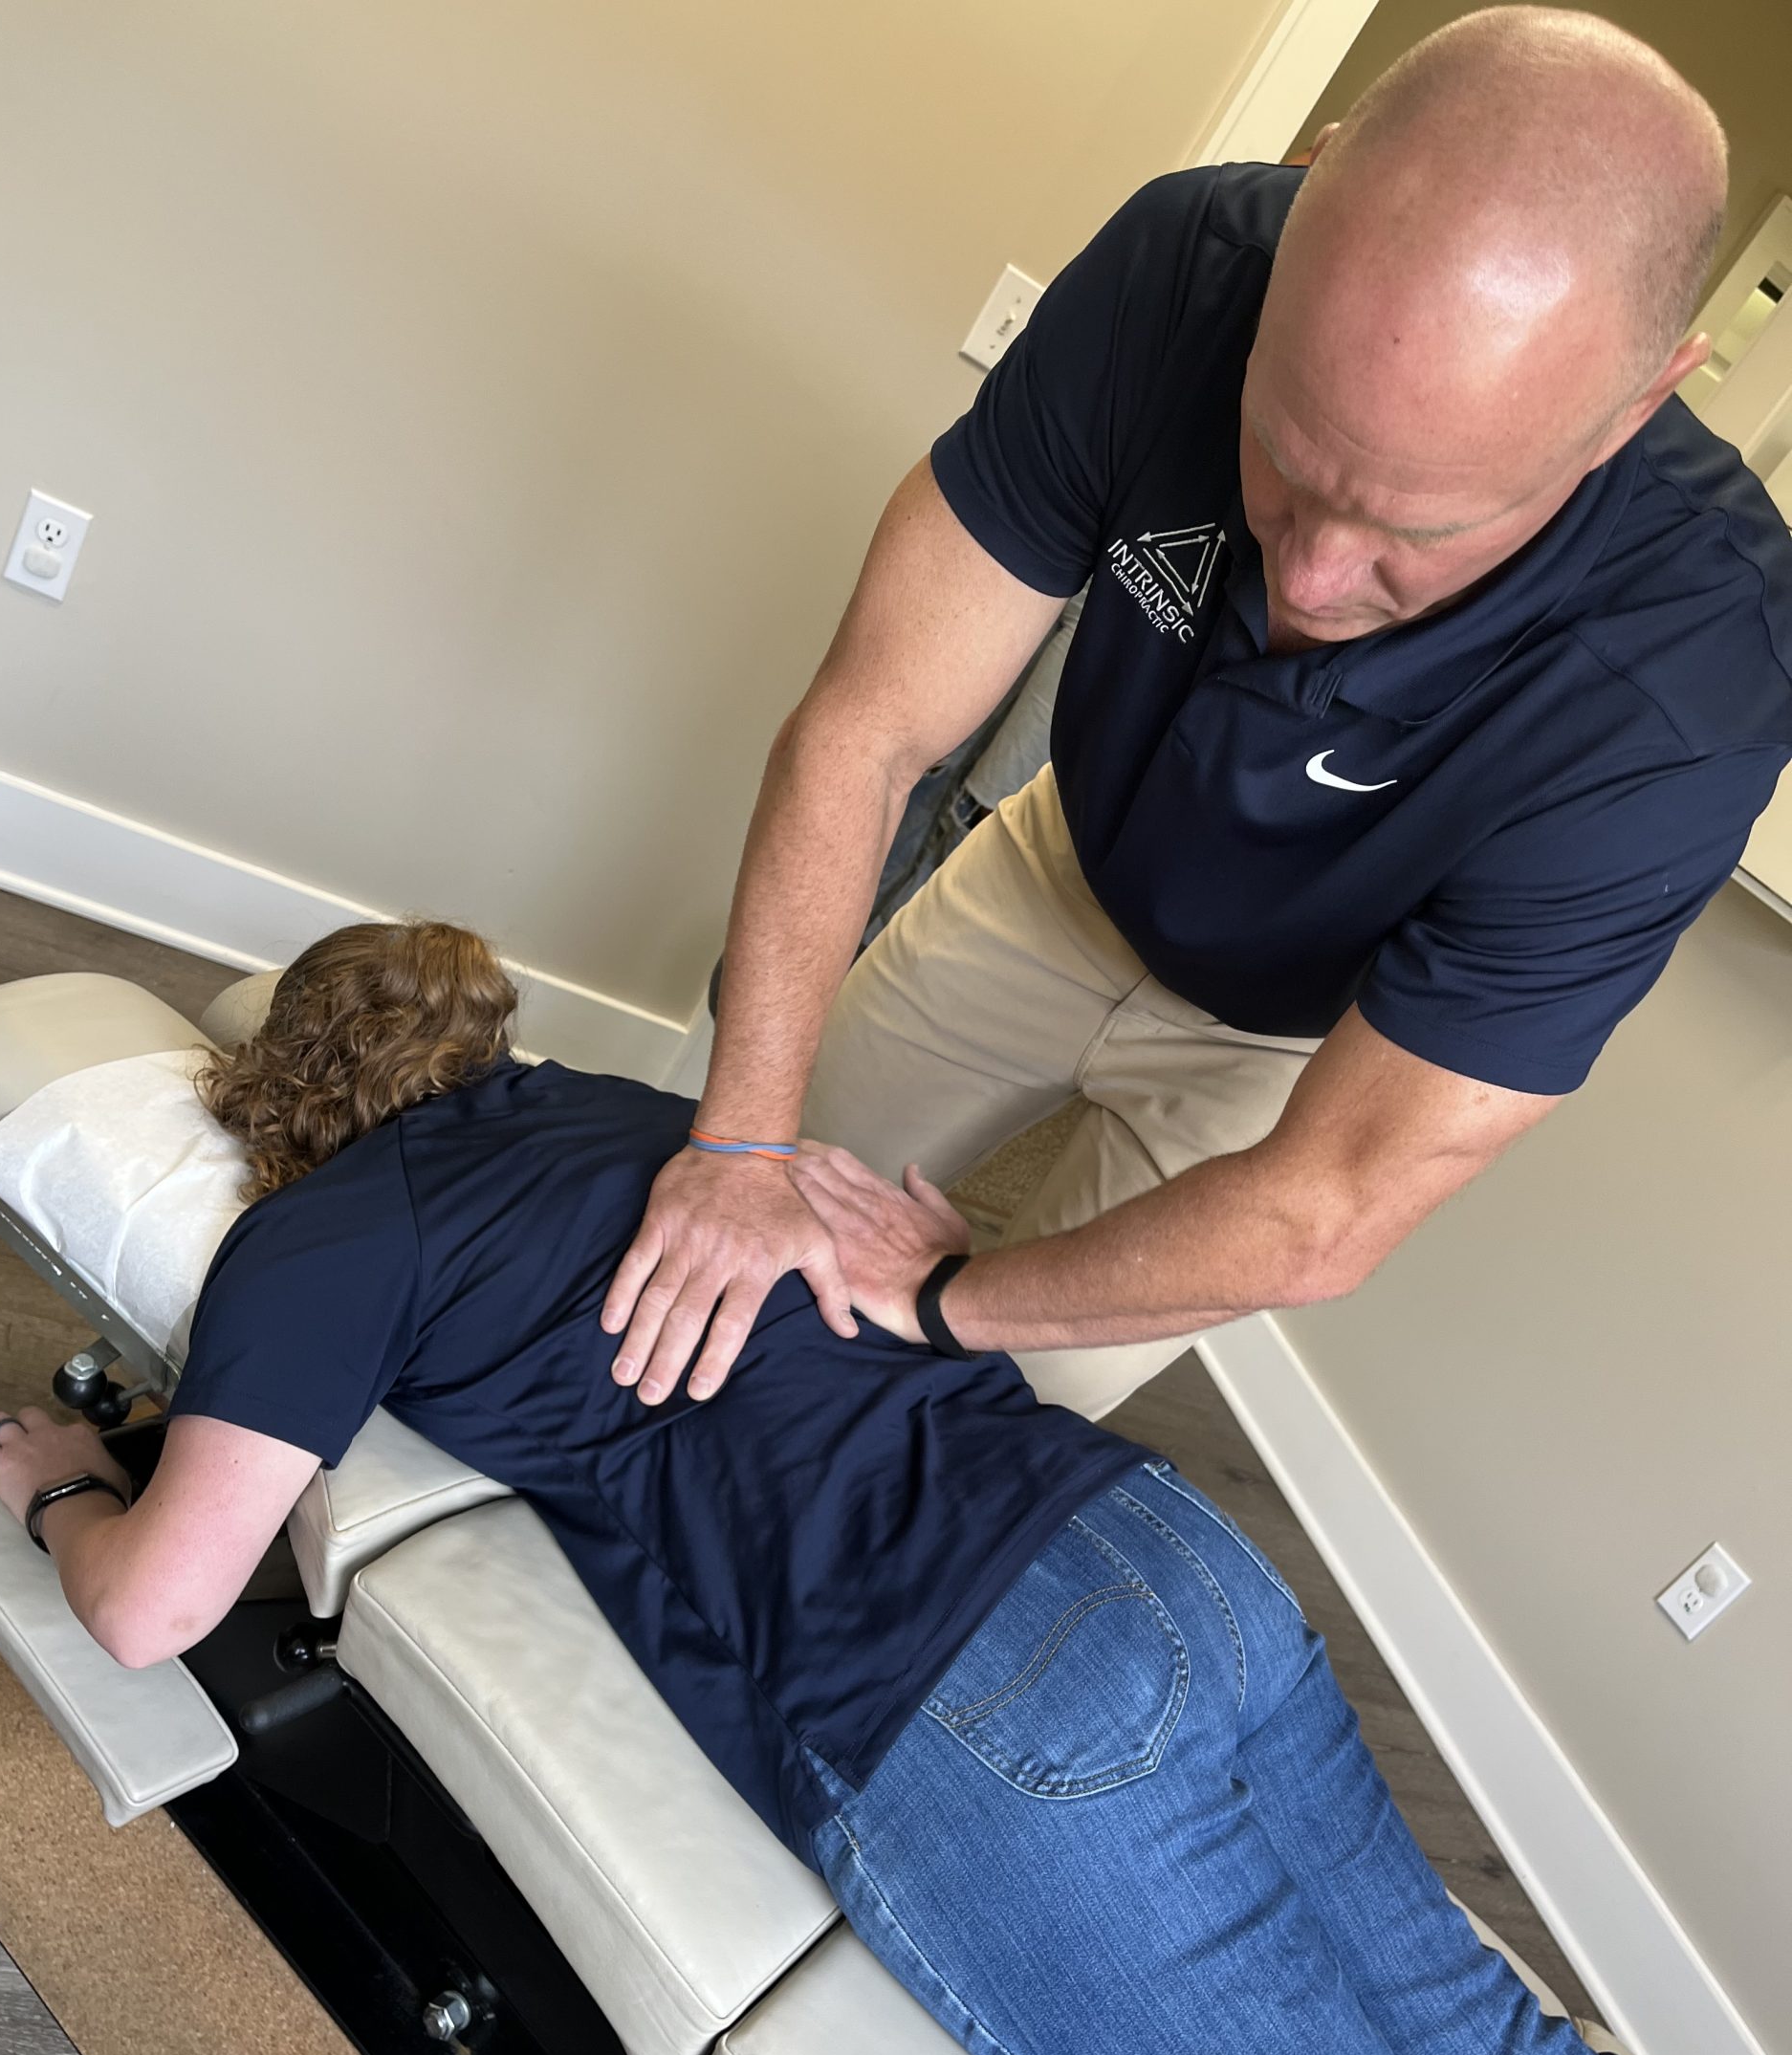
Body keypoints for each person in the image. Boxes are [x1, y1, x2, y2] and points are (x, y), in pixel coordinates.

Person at [0, 919, 1789, 2055]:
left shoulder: (319, 1238)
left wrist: (62, 1491)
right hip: (1173, 1568)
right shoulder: (654, 1121)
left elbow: (152, 1603)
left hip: (983, 1713)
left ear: (276, 1112)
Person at [601, 8, 1792, 1423]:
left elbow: (1327, 1207)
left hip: (1284, 1063)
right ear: (1306, 192)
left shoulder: (1697, 682)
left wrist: (946, 1301)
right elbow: (869, 729)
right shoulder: (1184, 268)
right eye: (1284, 457)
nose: (1315, 573)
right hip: (1059, 870)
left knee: (976, 1426)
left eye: (1420, 530)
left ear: (1635, 404)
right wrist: (737, 1148)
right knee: (724, 1229)